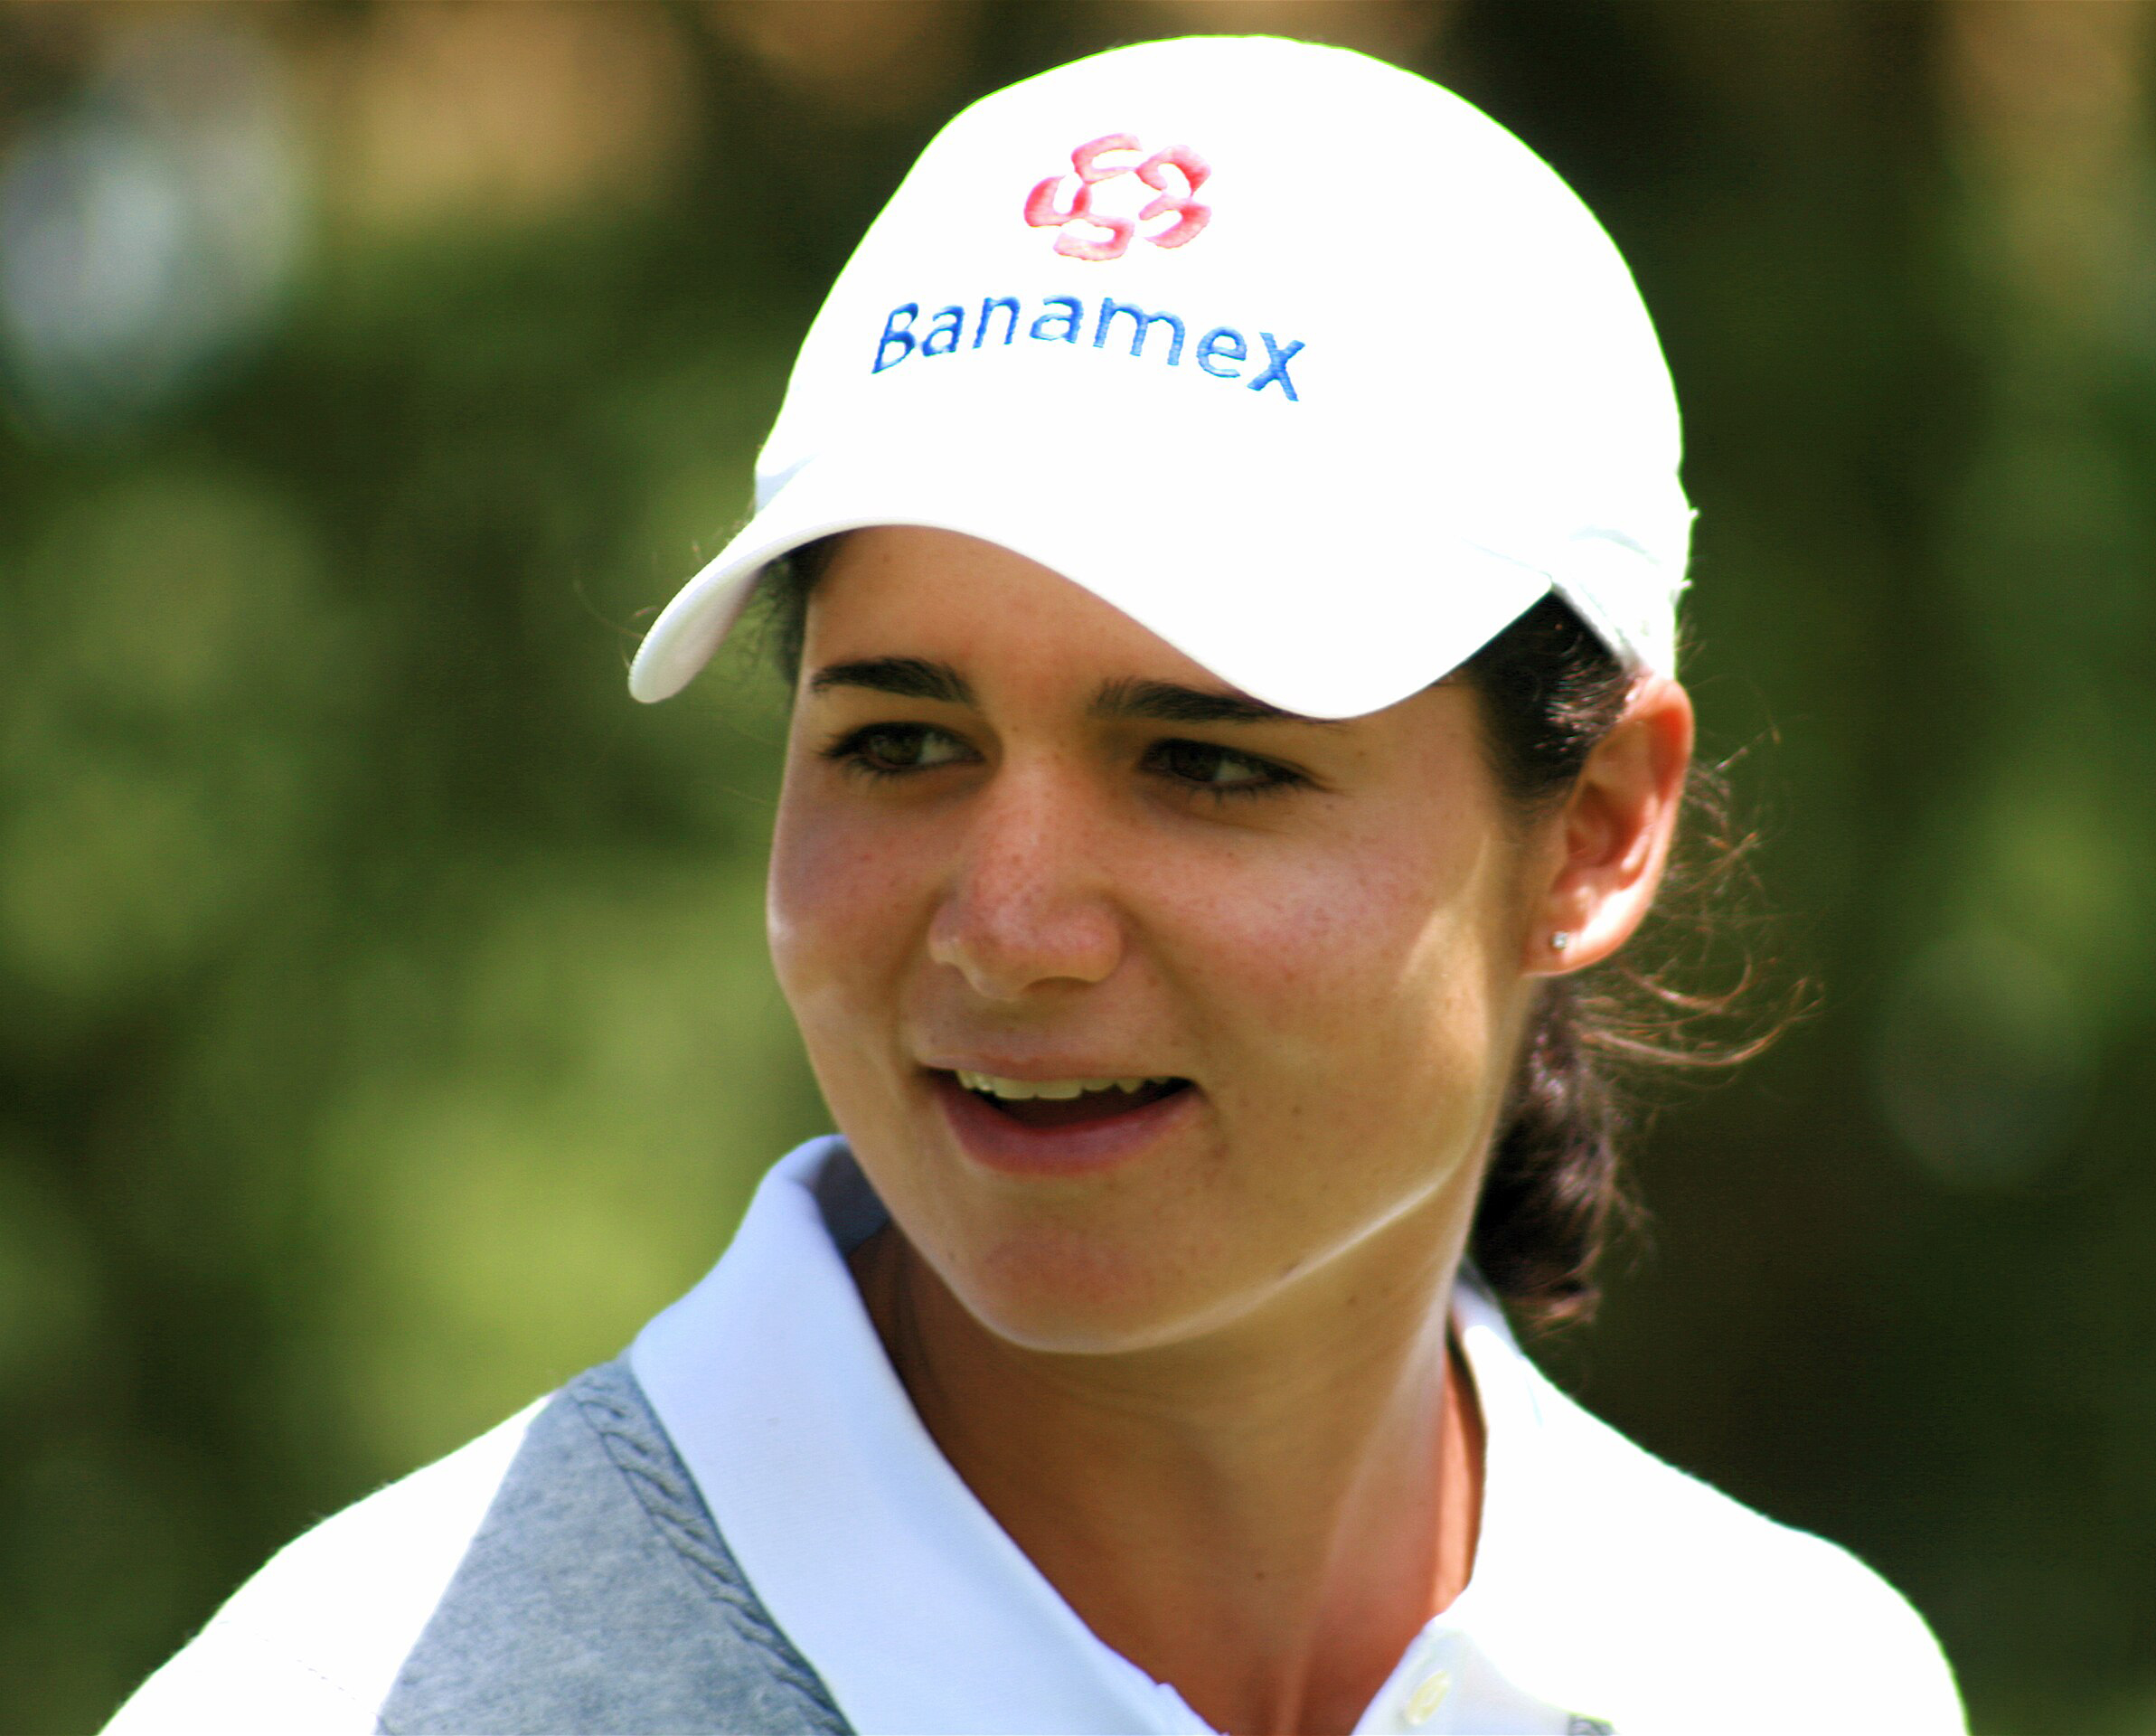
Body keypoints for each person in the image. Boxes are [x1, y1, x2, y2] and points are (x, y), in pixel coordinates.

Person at [107, 35, 1966, 1736]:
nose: (1009, 929)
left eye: (1207, 762)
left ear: (1595, 829)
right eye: (902, 743)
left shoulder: (1800, 1683)